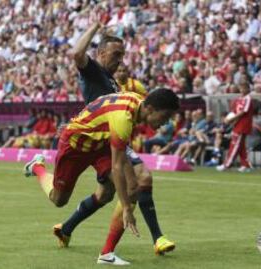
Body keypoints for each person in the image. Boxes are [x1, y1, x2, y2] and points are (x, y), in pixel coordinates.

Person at [51, 20, 175, 265]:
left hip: (103, 142)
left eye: (123, 55)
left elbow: (103, 105)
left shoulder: (114, 83)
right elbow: (77, 53)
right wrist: (96, 27)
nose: (121, 59)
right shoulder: (94, 71)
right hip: (98, 140)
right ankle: (155, 237)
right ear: (101, 53)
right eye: (116, 54)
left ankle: (69, 230)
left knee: (108, 193)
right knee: (139, 180)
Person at [23, 89, 180, 263]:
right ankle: (37, 167)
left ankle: (107, 254)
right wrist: (127, 208)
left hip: (100, 145)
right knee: (59, 199)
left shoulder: (136, 105)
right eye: (165, 116)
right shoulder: (123, 118)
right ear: (150, 109)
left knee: (132, 188)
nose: (165, 123)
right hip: (76, 146)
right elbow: (118, 165)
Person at [216, 82, 254, 172]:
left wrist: (232, 119)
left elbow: (243, 112)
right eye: (241, 88)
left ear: (248, 89)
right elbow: (233, 111)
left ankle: (227, 164)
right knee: (240, 146)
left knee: (235, 145)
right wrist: (227, 119)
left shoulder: (248, 99)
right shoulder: (238, 99)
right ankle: (246, 165)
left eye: (244, 88)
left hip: (243, 125)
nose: (242, 90)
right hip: (237, 124)